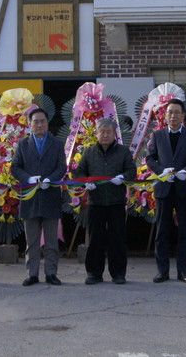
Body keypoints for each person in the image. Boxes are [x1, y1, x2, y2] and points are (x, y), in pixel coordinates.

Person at [73, 117, 136, 285]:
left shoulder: (123, 152)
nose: (105, 135)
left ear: (115, 134)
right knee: (95, 239)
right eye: (102, 132)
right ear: (96, 134)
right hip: (96, 202)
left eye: (108, 132)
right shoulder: (89, 152)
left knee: (118, 239)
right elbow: (79, 173)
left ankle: (118, 274)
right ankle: (94, 273)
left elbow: (132, 171)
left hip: (116, 202)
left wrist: (123, 177)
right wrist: (86, 182)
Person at [146, 98, 186, 283]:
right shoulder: (158, 135)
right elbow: (150, 159)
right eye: (170, 112)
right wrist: (162, 171)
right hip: (164, 188)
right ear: (165, 115)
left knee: (185, 231)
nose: (173, 116)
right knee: (162, 231)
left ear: (183, 115)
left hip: (183, 188)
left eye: (177, 112)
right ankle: (162, 271)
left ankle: (183, 271)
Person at [11, 108, 67, 286]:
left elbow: (62, 167)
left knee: (51, 241)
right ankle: (32, 273)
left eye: (42, 121)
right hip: (30, 197)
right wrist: (28, 178)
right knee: (32, 240)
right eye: (35, 122)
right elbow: (15, 167)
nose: (39, 124)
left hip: (50, 195)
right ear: (30, 124)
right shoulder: (22, 144)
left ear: (47, 123)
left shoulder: (57, 144)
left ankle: (51, 273)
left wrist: (51, 179)